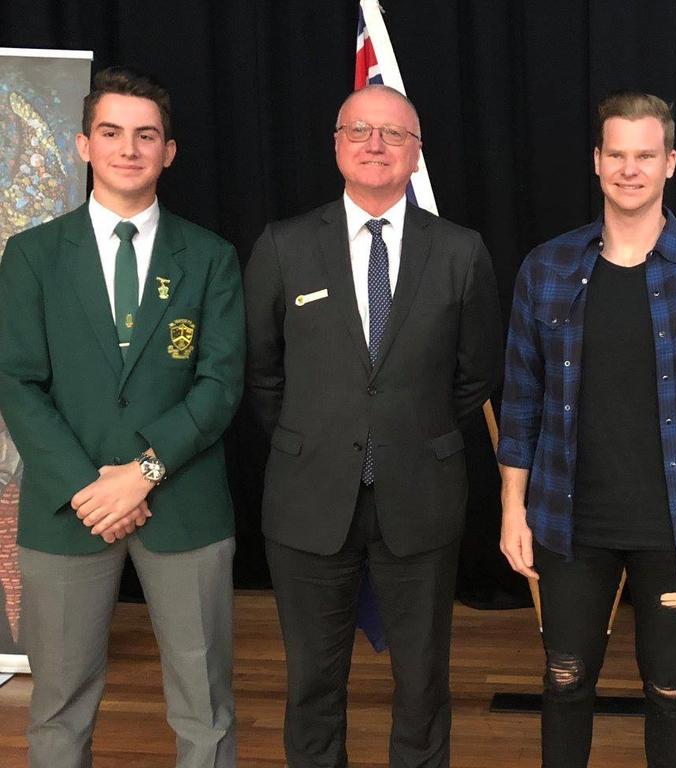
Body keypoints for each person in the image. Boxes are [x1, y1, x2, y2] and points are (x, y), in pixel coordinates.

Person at [498, 91, 676, 768]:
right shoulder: (548, 268)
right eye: (616, 154)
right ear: (597, 161)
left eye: (644, 155)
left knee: (671, 688)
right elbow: (522, 398)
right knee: (564, 681)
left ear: (670, 162)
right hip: (568, 521)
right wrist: (513, 508)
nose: (630, 169)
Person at [245, 84, 503, 768]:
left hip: (420, 495)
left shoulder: (461, 251)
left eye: (394, 135)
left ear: (416, 155)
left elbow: (476, 374)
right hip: (308, 497)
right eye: (360, 131)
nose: (376, 145)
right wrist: (318, 437)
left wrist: (406, 432)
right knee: (312, 683)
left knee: (422, 682)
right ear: (336, 145)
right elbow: (263, 373)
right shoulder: (284, 245)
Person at [0, 66, 243, 767]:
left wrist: (141, 472)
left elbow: (220, 383)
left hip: (184, 503)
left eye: (146, 135)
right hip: (66, 507)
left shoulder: (209, 257)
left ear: (169, 152)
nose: (128, 149)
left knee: (205, 706)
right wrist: (89, 486)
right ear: (83, 145)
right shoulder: (32, 256)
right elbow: (16, 383)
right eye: (111, 133)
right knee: (57, 707)